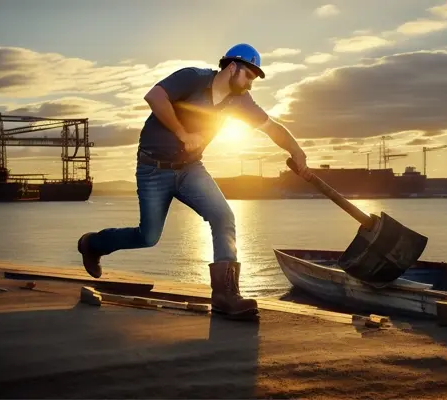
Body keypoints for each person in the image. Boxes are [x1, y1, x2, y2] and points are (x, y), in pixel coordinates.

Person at [77, 43, 311, 319]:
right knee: (148, 236)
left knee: (223, 216)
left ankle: (225, 295)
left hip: (190, 170)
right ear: (233, 67)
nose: (250, 84)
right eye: (248, 75)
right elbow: (154, 97)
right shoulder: (193, 77)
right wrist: (183, 133)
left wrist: (296, 151)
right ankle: (92, 244)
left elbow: (271, 127)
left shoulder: (239, 101)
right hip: (153, 168)